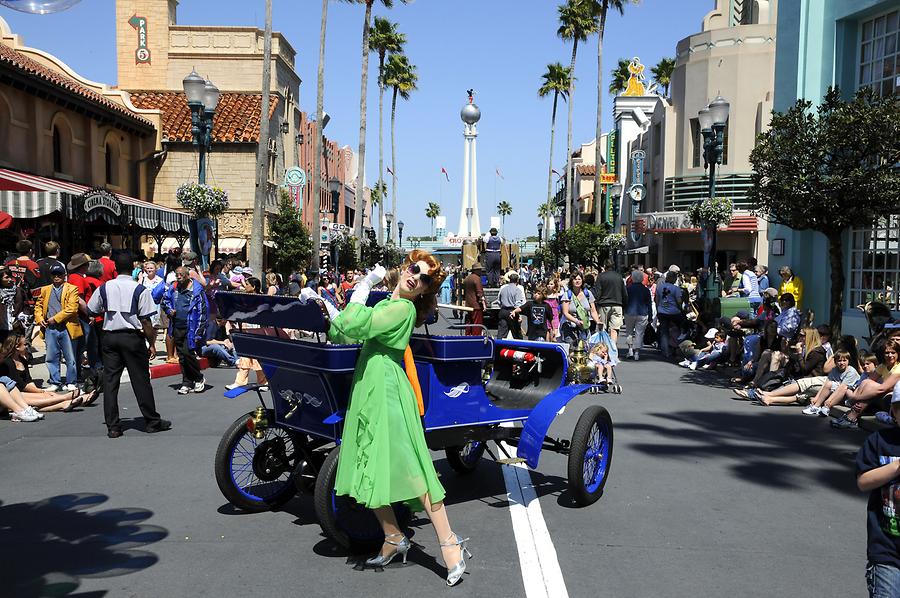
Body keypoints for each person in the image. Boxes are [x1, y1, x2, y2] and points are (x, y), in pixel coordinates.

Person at [325, 250, 471, 586]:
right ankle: (393, 537)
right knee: (369, 463)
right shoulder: (388, 305)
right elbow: (343, 332)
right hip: (369, 385)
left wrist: (363, 285)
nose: (415, 277)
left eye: (423, 279)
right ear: (405, 268)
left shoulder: (402, 309)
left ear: (424, 291)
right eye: (413, 269)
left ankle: (450, 543)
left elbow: (353, 325)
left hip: (388, 390)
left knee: (412, 467)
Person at [87, 252, 171, 438]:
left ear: (115, 268)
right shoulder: (139, 289)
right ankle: (151, 421)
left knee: (111, 382)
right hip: (132, 338)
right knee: (140, 380)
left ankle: (113, 427)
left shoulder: (105, 287)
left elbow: (92, 309)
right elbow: (146, 321)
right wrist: (151, 343)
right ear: (134, 269)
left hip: (110, 336)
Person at [855, 385, 900, 597]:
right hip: (886, 549)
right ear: (893, 411)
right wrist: (896, 467)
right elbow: (863, 482)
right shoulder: (880, 441)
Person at [0, 334, 93, 411]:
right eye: (25, 345)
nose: (27, 347)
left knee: (43, 397)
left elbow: (29, 381)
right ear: (17, 347)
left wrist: (39, 391)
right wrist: (41, 391)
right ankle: (66, 398)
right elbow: (20, 385)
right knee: (41, 397)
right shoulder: (8, 362)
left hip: (23, 391)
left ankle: (66, 403)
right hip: (14, 393)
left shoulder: (22, 360)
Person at [34, 263, 82, 392]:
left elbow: (72, 309)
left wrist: (55, 318)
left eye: (59, 275)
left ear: (64, 276)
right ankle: (55, 381)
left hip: (67, 327)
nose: (56, 277)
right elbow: (38, 306)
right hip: (50, 328)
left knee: (70, 356)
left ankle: (71, 381)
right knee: (51, 356)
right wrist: (39, 319)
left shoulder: (72, 289)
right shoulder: (45, 290)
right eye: (54, 275)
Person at [161, 267, 208, 395]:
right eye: (177, 275)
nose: (179, 277)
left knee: (188, 354)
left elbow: (203, 312)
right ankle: (186, 382)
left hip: (191, 328)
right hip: (177, 326)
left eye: (181, 274)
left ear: (188, 276)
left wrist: (199, 332)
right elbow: (164, 301)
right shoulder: (174, 288)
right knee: (181, 356)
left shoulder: (197, 291)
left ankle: (198, 378)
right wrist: (169, 310)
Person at [833, 340, 900, 430]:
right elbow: (867, 381)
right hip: (882, 395)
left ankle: (851, 417)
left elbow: (882, 389)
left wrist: (856, 398)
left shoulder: (898, 368)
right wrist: (855, 396)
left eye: (893, 352)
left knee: (870, 390)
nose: (890, 355)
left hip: (893, 401)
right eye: (887, 353)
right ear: (883, 354)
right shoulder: (883, 366)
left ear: (898, 353)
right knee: (866, 382)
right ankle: (852, 416)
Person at [225, 277, 269, 391]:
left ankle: (263, 382)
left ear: (254, 287)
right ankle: (240, 382)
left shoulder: (261, 299)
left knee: (258, 357)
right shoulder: (244, 298)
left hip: (257, 330)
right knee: (244, 355)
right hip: (245, 329)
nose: (245, 286)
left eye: (248, 284)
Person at [803, 349, 861, 416]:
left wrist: (829, 400)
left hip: (851, 395)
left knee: (845, 388)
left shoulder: (851, 371)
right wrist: (816, 397)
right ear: (835, 362)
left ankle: (827, 407)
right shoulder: (834, 370)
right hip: (839, 392)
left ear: (848, 361)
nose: (842, 363)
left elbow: (842, 387)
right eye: (839, 361)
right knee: (829, 384)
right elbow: (826, 384)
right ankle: (816, 406)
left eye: (844, 360)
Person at [560, 271, 601, 346]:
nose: (577, 281)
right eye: (575, 279)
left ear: (582, 281)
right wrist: (577, 321)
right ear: (571, 281)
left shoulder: (588, 294)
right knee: (572, 349)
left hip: (584, 327)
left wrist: (598, 321)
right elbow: (565, 313)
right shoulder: (567, 295)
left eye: (579, 279)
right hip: (570, 326)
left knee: (584, 349)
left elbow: (593, 311)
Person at [595, 260, 627, 344]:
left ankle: (603, 348)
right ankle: (613, 349)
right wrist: (624, 305)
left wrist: (596, 305)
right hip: (617, 304)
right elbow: (624, 292)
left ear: (605, 266)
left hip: (603, 304)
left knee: (602, 328)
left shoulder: (601, 276)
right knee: (614, 329)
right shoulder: (619, 276)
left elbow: (597, 292)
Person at [655, 271, 684, 360]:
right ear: (674, 279)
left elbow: (657, 299)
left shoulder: (659, 287)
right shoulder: (676, 288)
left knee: (664, 332)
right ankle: (678, 348)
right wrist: (681, 309)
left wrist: (658, 309)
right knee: (680, 329)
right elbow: (679, 301)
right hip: (674, 312)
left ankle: (665, 351)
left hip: (662, 311)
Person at [624, 270, 652, 361]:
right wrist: (650, 316)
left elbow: (624, 301)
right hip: (642, 313)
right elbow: (649, 304)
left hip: (630, 312)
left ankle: (630, 350)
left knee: (629, 332)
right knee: (639, 333)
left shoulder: (628, 288)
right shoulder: (646, 290)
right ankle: (637, 353)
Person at [0, 265, 26, 343]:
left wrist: (22, 316)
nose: (10, 279)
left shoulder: (18, 290)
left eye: (10, 277)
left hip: (16, 326)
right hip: (2, 327)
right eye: (6, 277)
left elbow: (25, 305)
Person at [497, 271, 525, 340]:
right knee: (516, 334)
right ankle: (518, 348)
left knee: (502, 332)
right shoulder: (517, 290)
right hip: (512, 311)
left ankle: (498, 347)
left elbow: (499, 301)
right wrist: (518, 315)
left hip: (503, 311)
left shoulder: (503, 289)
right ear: (517, 280)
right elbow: (518, 304)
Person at [463, 263, 487, 336]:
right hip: (476, 305)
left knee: (469, 322)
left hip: (469, 304)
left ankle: (467, 336)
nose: (481, 271)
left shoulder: (467, 278)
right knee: (477, 323)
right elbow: (479, 292)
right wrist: (484, 304)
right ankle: (476, 337)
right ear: (476, 270)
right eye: (479, 270)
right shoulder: (477, 278)